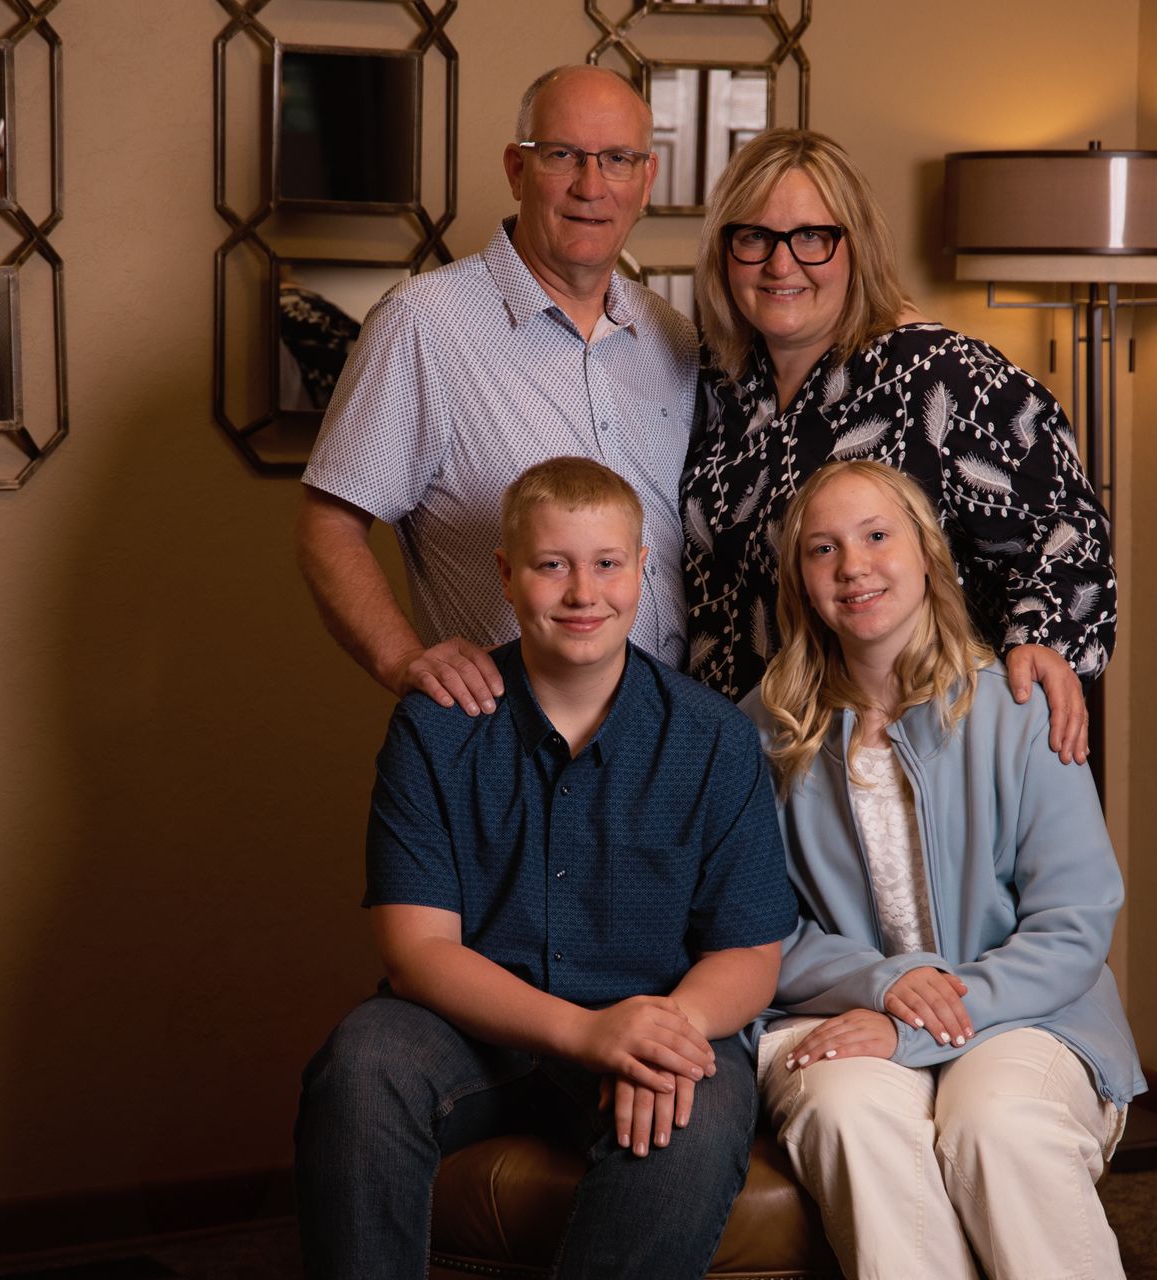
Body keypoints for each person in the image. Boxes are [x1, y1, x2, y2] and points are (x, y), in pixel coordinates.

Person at [295, 457, 797, 1280]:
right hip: (471, 1029)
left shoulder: (713, 739)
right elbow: (416, 951)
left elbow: (749, 953)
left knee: (693, 1110)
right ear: (506, 573)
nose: (582, 592)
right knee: (362, 1061)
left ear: (642, 568)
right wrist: (585, 1032)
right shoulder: (436, 729)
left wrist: (658, 1034)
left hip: (653, 1011)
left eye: (606, 564)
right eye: (552, 565)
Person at [741, 459, 1144, 1280]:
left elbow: (1073, 924)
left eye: (877, 537)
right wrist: (880, 983)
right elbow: (746, 928)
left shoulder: (1020, 707)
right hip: (837, 1007)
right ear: (798, 581)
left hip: (1030, 1011)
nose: (853, 566)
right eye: (823, 549)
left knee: (998, 1123)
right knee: (850, 1114)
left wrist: (918, 1020)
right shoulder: (758, 733)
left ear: (927, 554)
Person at [682, 129, 1114, 764]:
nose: (781, 265)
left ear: (857, 248)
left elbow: (1069, 527)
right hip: (742, 764)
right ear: (724, 252)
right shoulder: (717, 386)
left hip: (911, 763)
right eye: (754, 237)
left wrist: (1043, 642)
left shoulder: (939, 373)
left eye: (812, 237)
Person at [298, 65, 697, 717]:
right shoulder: (425, 324)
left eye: (618, 160)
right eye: (563, 155)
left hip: (670, 744)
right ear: (517, 169)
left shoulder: (672, 337)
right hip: (513, 743)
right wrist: (401, 658)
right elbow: (328, 524)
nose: (591, 186)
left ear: (645, 180)